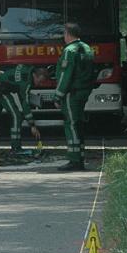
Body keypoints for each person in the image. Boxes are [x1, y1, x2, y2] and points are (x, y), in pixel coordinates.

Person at [54, 23, 94, 171]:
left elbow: (65, 75)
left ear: (68, 34)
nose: (63, 37)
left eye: (64, 34)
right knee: (78, 123)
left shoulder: (69, 51)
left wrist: (58, 95)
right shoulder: (87, 48)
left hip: (72, 92)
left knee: (71, 124)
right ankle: (80, 155)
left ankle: (75, 160)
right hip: (83, 91)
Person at [0, 64, 48, 154]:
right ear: (34, 75)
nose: (38, 84)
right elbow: (25, 103)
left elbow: (20, 91)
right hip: (1, 90)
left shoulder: (27, 70)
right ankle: (16, 148)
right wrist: (32, 125)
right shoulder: (27, 81)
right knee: (17, 116)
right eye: (39, 81)